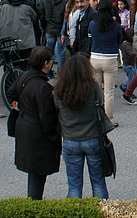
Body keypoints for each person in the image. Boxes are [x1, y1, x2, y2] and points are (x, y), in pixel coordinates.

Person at [54, 52, 109, 199]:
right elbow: (100, 104)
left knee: (74, 185)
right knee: (98, 182)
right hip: (92, 138)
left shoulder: (59, 90)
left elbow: (56, 109)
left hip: (70, 139)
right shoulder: (94, 87)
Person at [8, 46, 60, 200]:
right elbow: (46, 116)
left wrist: (20, 107)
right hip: (37, 133)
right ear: (46, 63)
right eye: (51, 61)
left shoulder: (24, 76)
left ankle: (32, 202)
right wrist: (54, 135)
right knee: (38, 173)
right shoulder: (42, 86)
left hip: (24, 125)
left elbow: (11, 93)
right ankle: (34, 205)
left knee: (33, 172)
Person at [88, 0, 122, 123]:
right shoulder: (116, 26)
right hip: (110, 58)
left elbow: (90, 40)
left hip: (95, 57)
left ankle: (95, 117)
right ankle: (109, 119)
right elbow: (119, 41)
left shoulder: (92, 24)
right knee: (109, 91)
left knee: (96, 90)